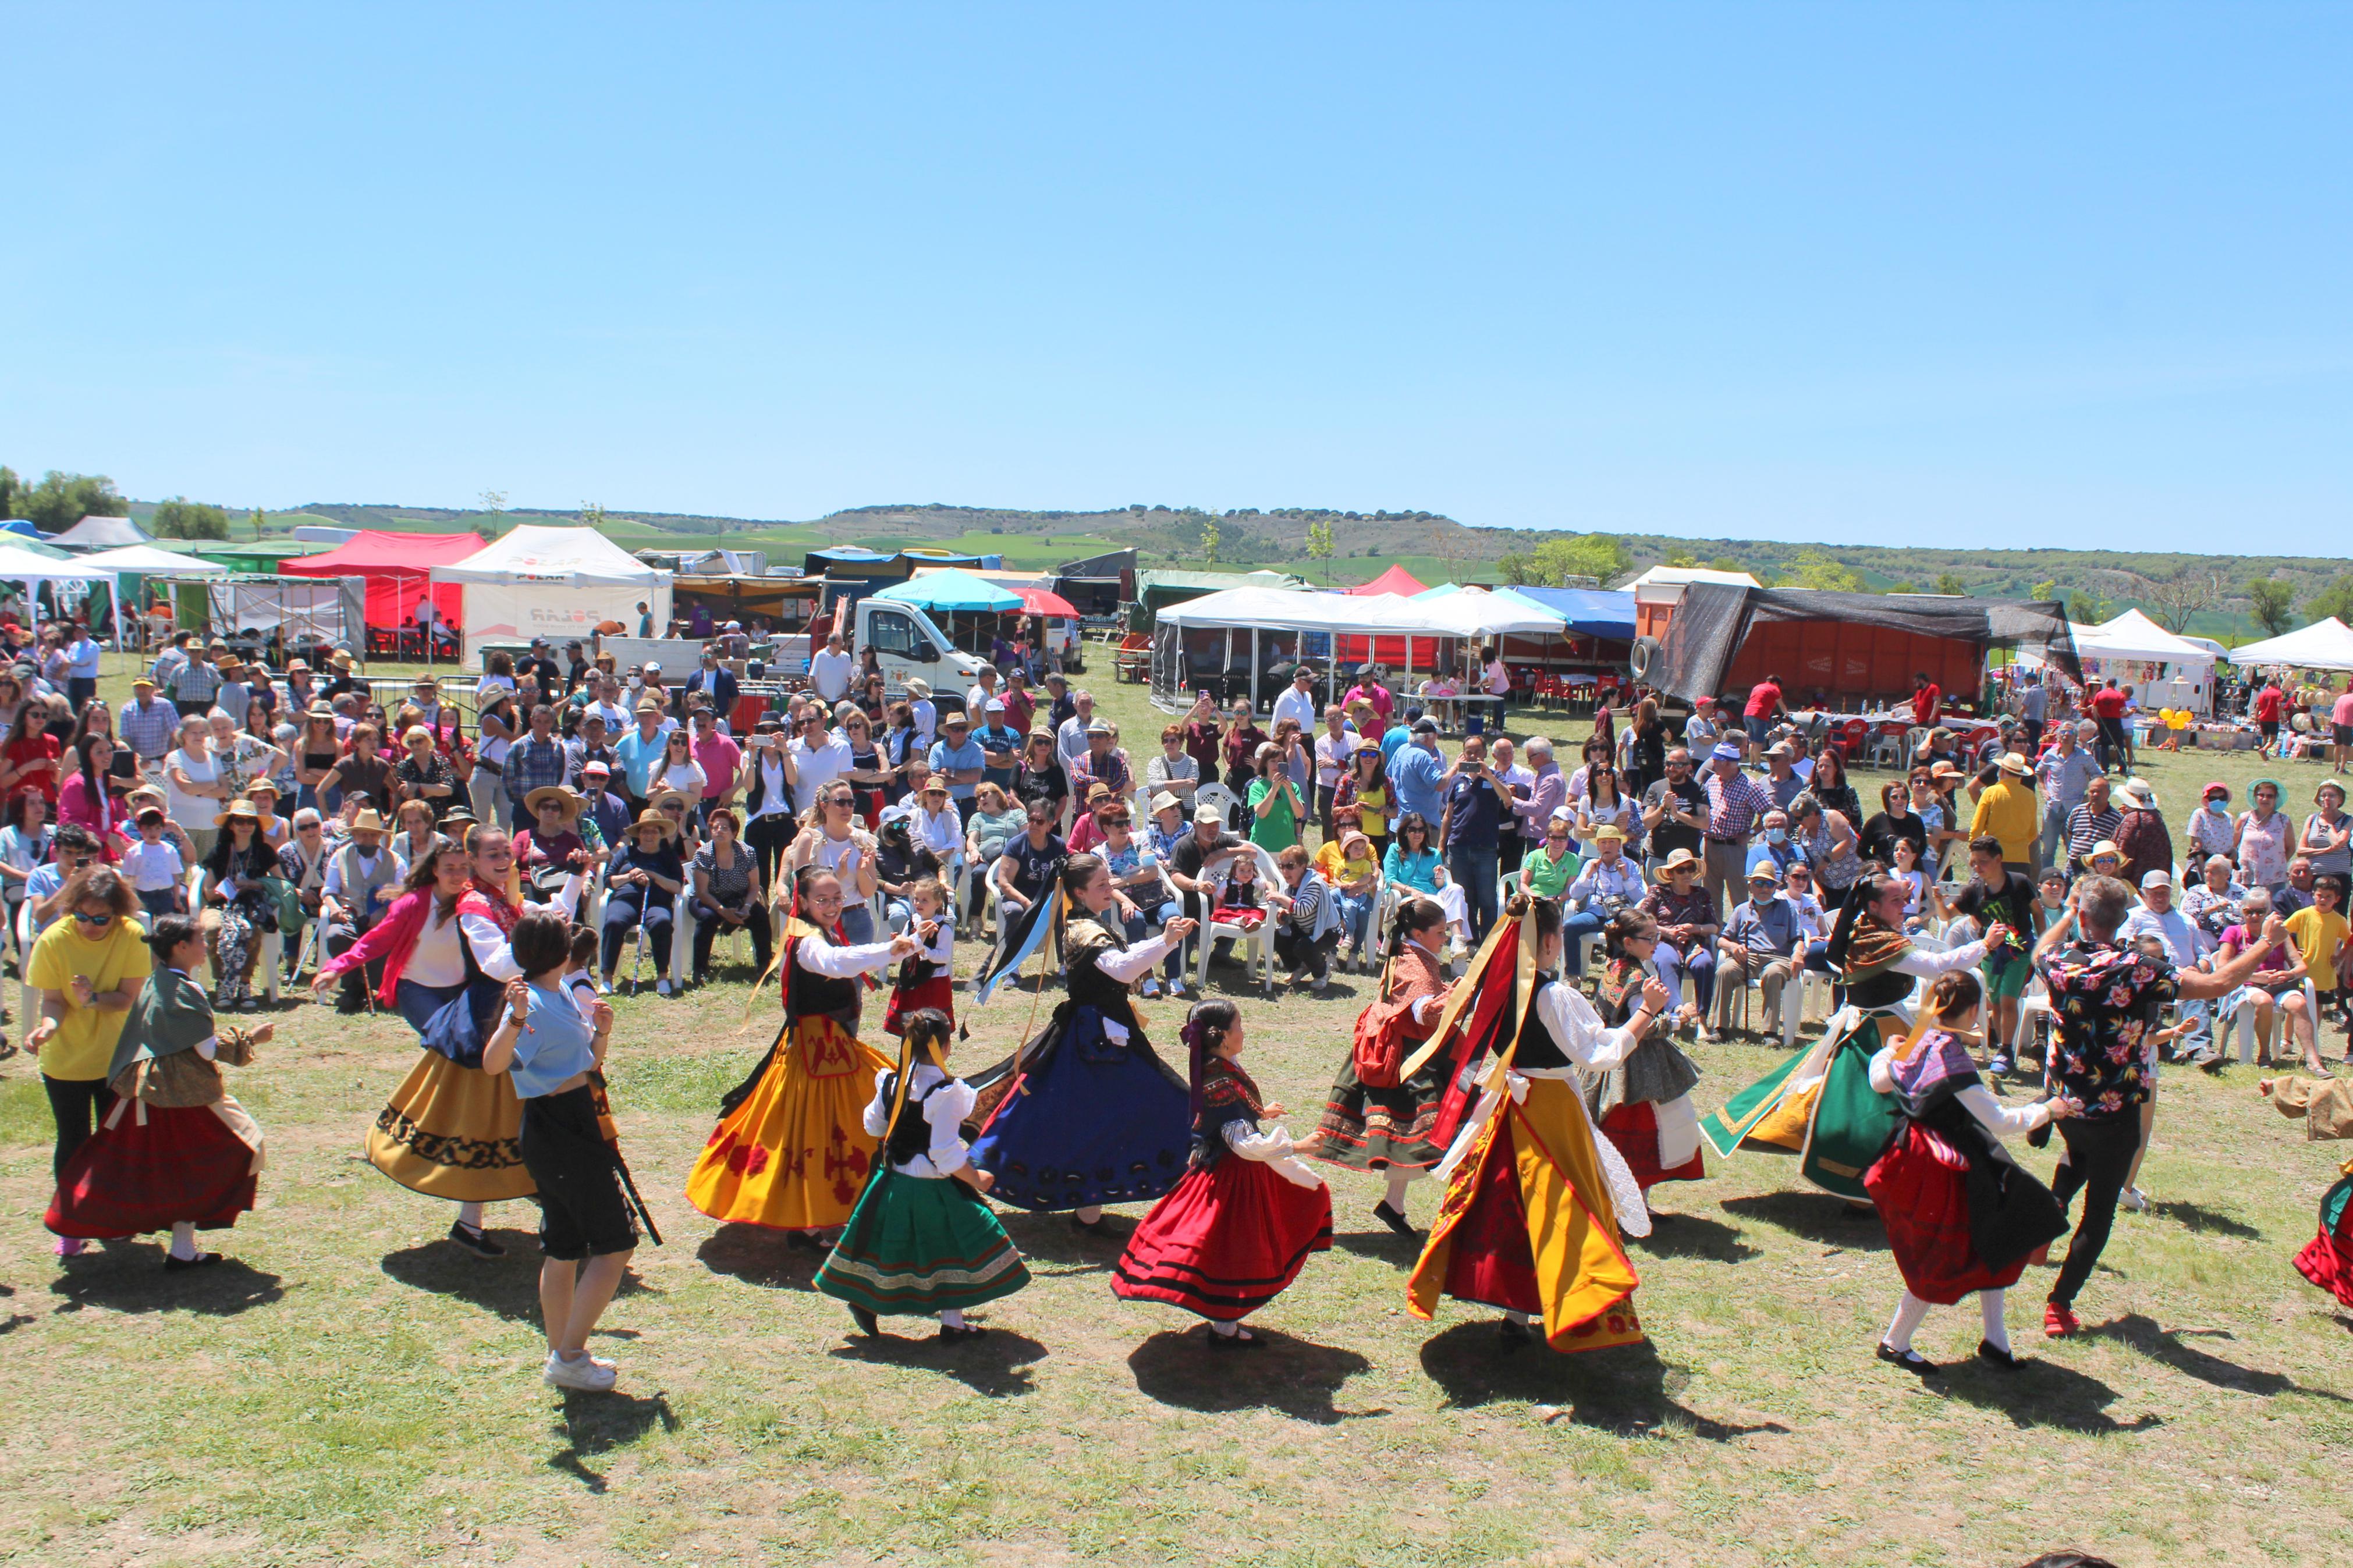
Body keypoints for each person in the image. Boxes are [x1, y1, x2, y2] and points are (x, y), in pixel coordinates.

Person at [1405, 895, 1665, 1350]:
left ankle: (1516, 1309)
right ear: (1548, 941)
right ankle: (1561, 1305)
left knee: (1514, 1200)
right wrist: (1646, 1012)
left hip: (1513, 1102)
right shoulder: (1553, 994)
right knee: (1564, 1202)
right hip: (1550, 1110)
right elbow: (1599, 1052)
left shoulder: (1496, 987)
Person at [2033, 876, 2281, 1336]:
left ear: (2084, 917)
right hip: (2116, 1108)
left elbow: (2036, 950)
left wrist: (2067, 914)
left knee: (2077, 1156)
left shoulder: (2057, 960)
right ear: (2123, 919)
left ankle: (2042, 1227)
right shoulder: (2138, 968)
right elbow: (2218, 983)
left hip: (2065, 1102)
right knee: (2100, 1209)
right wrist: (2267, 941)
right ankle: (2059, 1304)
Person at [317, 830, 535, 1254]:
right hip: (420, 993)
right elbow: (375, 940)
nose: (456, 875)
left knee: (472, 1079)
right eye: (448, 868)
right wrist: (336, 967)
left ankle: (485, 1182)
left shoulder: (474, 899)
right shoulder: (415, 903)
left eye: (460, 868)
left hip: (462, 992)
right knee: (459, 1062)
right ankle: (420, 1136)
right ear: (433, 869)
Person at [687, 865, 924, 1242]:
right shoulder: (808, 940)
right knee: (820, 1132)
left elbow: (842, 957)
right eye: (822, 899)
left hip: (829, 1044)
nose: (831, 906)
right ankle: (817, 1222)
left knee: (830, 1125)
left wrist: (891, 948)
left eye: (836, 898)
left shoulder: (818, 930)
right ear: (803, 901)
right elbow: (834, 963)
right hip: (816, 1052)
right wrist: (888, 950)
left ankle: (818, 1216)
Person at [961, 856, 1196, 1232]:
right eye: (1102, 884)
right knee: (1112, 1115)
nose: (1111, 888)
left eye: (1109, 881)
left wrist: (1163, 940)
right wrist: (1166, 941)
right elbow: (1121, 968)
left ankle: (1089, 1214)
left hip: (1107, 1034)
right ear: (1079, 892)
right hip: (1093, 1043)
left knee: (1101, 1120)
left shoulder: (1090, 923)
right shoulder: (1081, 930)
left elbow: (1121, 966)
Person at [1863, 970, 2073, 1374]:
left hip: (1916, 1157)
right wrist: (2047, 1110)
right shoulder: (1951, 1057)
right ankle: (1895, 1341)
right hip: (1947, 1168)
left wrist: (1888, 1052)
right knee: (1945, 1256)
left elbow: (1879, 1081)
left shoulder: (1918, 1042)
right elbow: (1998, 1119)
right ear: (1974, 1009)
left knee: (1995, 1241)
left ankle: (1996, 1342)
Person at [42, 912, 271, 1270]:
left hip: (148, 1096)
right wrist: (250, 1039)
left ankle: (181, 1250)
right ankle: (124, 1233)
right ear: (181, 947)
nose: (205, 946)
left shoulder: (158, 981)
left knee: (171, 1172)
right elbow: (205, 1050)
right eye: (200, 940)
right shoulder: (186, 992)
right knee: (238, 1147)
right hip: (183, 1099)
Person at [1112, 998, 1332, 1348]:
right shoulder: (1219, 1080)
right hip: (1233, 1179)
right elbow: (1244, 1144)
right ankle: (1226, 1327)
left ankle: (1225, 1324)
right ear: (1224, 1038)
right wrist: (1300, 1146)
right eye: (1239, 1026)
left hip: (1227, 1172)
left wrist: (1263, 1111)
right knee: (1234, 1250)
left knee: (1225, 1249)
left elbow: (1238, 1112)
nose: (1244, 1031)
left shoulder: (1217, 1065)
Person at [480, 910, 635, 1391]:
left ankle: (561, 1354)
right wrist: (516, 1018)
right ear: (559, 952)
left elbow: (585, 1063)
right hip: (558, 1128)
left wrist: (603, 1032)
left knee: (564, 1246)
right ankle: (568, 1355)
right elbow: (492, 1064)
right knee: (615, 1245)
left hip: (573, 1118)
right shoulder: (529, 1004)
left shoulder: (561, 991)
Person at [814, 1007, 1030, 1341]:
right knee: (954, 1247)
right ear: (946, 1047)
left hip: (892, 1181)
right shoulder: (946, 1094)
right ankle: (944, 1322)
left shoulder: (890, 1081)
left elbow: (873, 1126)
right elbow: (944, 1154)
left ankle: (931, 1319)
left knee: (889, 1246)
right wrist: (977, 1179)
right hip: (932, 1186)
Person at [1301, 894, 1459, 1232]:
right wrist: (1463, 995)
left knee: (1408, 1137)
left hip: (1402, 1052)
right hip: (1405, 1059)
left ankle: (1394, 1204)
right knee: (1425, 1132)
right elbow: (1425, 1013)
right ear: (1418, 934)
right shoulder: (1415, 964)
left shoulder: (1412, 953)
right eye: (1441, 932)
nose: (1445, 938)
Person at [23, 865, 154, 1258]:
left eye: (101, 919)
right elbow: (52, 1000)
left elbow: (128, 998)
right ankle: (71, 1222)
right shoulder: (53, 940)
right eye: (81, 916)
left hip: (116, 1056)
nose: (90, 925)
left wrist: (93, 999)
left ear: (117, 913)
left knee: (113, 1141)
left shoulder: (132, 936)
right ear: (71, 908)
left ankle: (112, 1218)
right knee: (73, 1139)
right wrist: (47, 1027)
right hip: (65, 1059)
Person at [1589, 909, 1706, 1214]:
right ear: (1628, 942)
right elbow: (1645, 1025)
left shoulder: (1613, 967)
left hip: (1612, 1060)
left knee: (1618, 1131)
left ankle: (1624, 1201)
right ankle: (1636, 1203)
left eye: (1658, 935)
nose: (1656, 942)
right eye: (1650, 938)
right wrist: (1679, 1020)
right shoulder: (1638, 978)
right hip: (1637, 1068)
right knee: (1646, 1132)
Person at [599, 810, 685, 994]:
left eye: (654, 831)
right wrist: (630, 876)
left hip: (657, 903)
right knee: (614, 922)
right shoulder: (625, 853)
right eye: (645, 832)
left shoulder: (668, 856)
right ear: (638, 834)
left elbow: (677, 887)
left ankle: (662, 977)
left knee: (662, 923)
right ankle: (607, 978)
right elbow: (609, 880)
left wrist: (653, 875)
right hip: (625, 901)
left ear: (661, 834)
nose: (649, 836)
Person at [1639, 848, 1719, 1041]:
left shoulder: (1702, 894)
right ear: (1671, 874)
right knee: (1667, 961)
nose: (1687, 874)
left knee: (1705, 963)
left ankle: (1701, 1019)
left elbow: (1715, 927)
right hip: (1663, 940)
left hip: (1694, 942)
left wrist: (1695, 928)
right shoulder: (1658, 892)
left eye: (1690, 869)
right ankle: (1676, 1013)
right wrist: (1667, 932)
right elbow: (1641, 919)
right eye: (1681, 870)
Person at [690, 806, 772, 984]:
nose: (719, 831)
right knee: (708, 919)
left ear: (734, 833)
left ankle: (765, 966)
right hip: (707, 899)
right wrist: (722, 911)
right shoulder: (703, 854)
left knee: (760, 917)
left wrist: (748, 907)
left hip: (740, 897)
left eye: (725, 828)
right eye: (715, 827)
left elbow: (754, 886)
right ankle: (700, 970)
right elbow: (702, 892)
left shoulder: (747, 852)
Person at [2281, 875, 2348, 1075]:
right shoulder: (2303, 914)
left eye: (2329, 896)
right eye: (2320, 895)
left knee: (2317, 1009)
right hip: (2303, 972)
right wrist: (2294, 953)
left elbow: (2349, 940)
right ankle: (2287, 1040)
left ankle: (2311, 1042)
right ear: (2314, 895)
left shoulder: (2338, 920)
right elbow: (2283, 932)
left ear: (2336, 899)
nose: (2323, 899)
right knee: (2296, 1007)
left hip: (2325, 974)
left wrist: (2340, 956)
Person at [1698, 741, 1772, 918]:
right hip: (1710, 845)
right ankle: (1714, 936)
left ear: (1728, 764)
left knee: (1739, 895)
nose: (1712, 764)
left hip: (1734, 848)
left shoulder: (1749, 785)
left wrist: (1751, 833)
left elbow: (1768, 813)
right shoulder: (1713, 781)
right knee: (1710, 895)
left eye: (1716, 761)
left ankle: (1742, 933)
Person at [1560, 823, 1644, 979]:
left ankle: (1616, 975)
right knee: (1571, 926)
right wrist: (1589, 875)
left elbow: (1640, 899)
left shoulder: (1631, 866)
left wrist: (1626, 877)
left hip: (1620, 916)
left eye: (1612, 842)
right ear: (1598, 846)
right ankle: (1573, 974)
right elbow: (1575, 895)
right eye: (1603, 842)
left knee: (1619, 928)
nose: (1607, 846)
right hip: (1596, 914)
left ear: (1619, 845)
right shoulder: (1591, 865)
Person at [2035, 722, 2103, 879]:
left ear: (2075, 737)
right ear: (2058, 737)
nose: (2066, 736)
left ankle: (2072, 881)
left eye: (2069, 734)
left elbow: (2098, 776)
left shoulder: (2084, 757)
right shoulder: (2050, 755)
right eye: (2063, 733)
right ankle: (2046, 880)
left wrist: (2088, 796)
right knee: (2048, 850)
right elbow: (2039, 773)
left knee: (2073, 850)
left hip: (2074, 809)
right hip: (2052, 808)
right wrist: (2044, 790)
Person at [1971, 752, 2039, 879]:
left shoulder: (1991, 792)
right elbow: (2033, 833)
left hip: (1992, 857)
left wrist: (1975, 854)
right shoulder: (2030, 796)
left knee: (1987, 898)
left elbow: (1976, 828)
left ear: (2002, 772)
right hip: (2021, 859)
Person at [2235, 777, 2294, 895]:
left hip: (2274, 880)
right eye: (2261, 795)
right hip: (2246, 877)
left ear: (2276, 799)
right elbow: (2232, 846)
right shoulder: (2244, 819)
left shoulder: (2284, 821)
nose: (2265, 799)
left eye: (2270, 796)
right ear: (2255, 797)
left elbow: (2291, 848)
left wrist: (2277, 865)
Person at [2112, 777, 2172, 890]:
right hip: (2157, 881)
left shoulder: (2133, 819)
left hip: (2134, 884)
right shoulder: (2156, 817)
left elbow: (2123, 855)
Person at [2253, 675, 2287, 759]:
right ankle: (2264, 750)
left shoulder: (2263, 693)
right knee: (2273, 738)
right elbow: (2279, 705)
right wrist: (2282, 717)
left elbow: (2258, 707)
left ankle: (2264, 756)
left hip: (2263, 717)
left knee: (2265, 737)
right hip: (2272, 718)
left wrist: (2256, 717)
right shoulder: (2278, 693)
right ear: (2276, 684)